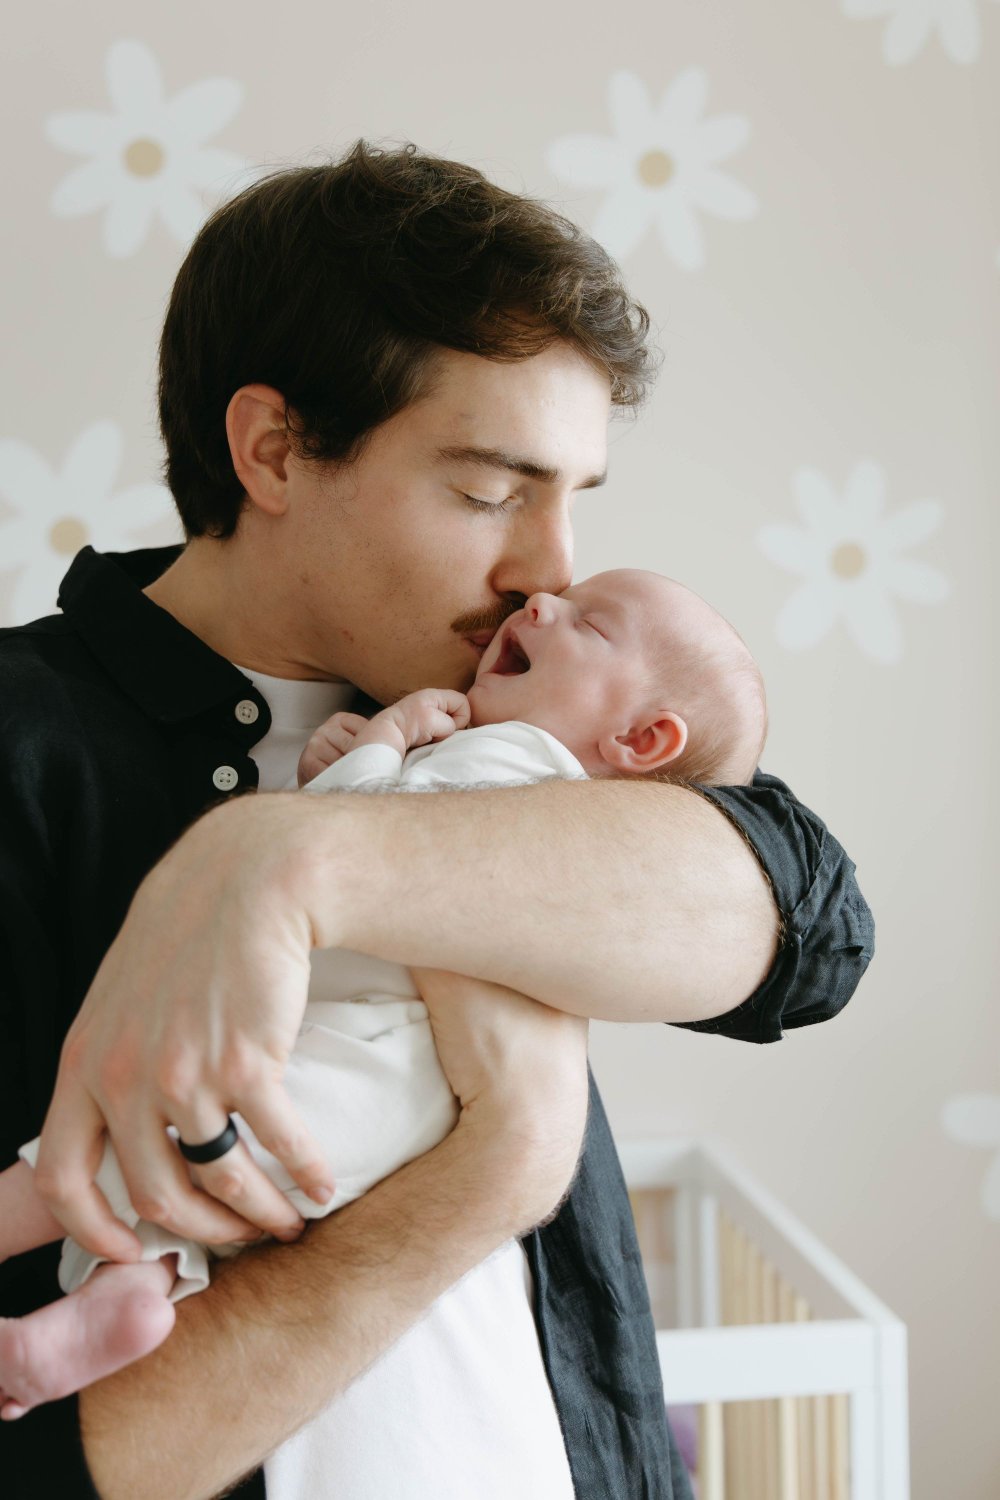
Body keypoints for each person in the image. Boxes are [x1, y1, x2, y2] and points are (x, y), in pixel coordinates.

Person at [0, 141, 874, 1500]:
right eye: (487, 491)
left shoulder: (526, 733)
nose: (549, 569)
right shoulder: (25, 744)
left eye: (572, 499)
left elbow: (810, 925)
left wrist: (285, 857)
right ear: (273, 451)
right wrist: (494, 1170)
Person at [1, 568, 767, 1448]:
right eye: (485, 498)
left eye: (590, 626)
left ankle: (84, 1275)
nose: (542, 596)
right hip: (359, 1054)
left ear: (640, 739)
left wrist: (380, 747)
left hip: (373, 1047)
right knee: (182, 1176)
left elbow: (328, 838)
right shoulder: (531, 786)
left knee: (147, 1145)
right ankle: (124, 1300)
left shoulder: (527, 773)